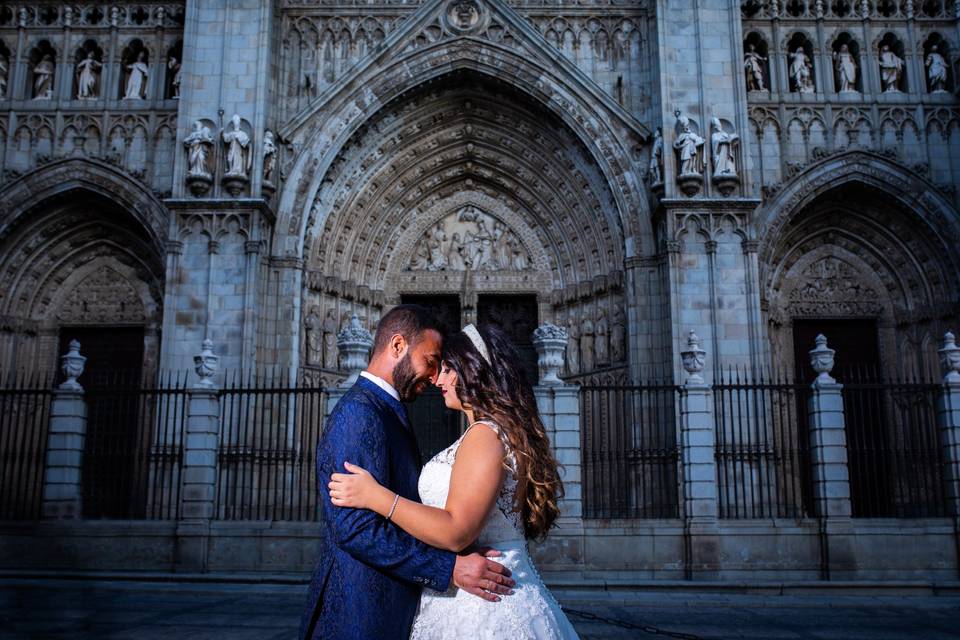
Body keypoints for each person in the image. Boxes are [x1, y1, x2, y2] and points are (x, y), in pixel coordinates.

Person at [329, 323, 580, 639]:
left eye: (448, 369)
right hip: (478, 589)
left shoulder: (485, 435)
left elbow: (456, 531)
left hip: (483, 609)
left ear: (473, 373)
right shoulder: (491, 433)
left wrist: (375, 496)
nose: (438, 379)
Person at [300, 305, 515, 640]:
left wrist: (455, 551)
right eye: (431, 361)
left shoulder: (386, 409)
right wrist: (449, 568)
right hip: (359, 616)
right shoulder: (359, 413)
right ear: (397, 346)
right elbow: (355, 530)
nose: (435, 377)